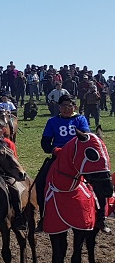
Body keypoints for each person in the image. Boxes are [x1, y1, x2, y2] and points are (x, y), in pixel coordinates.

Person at [34, 94, 91, 229]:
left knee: (96, 180)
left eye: (69, 106)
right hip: (58, 158)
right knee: (40, 182)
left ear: (74, 107)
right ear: (59, 107)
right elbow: (45, 143)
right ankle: (43, 216)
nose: (66, 109)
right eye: (63, 106)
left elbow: (85, 139)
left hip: (78, 159)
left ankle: (99, 215)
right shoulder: (52, 121)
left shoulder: (80, 120)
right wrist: (54, 150)